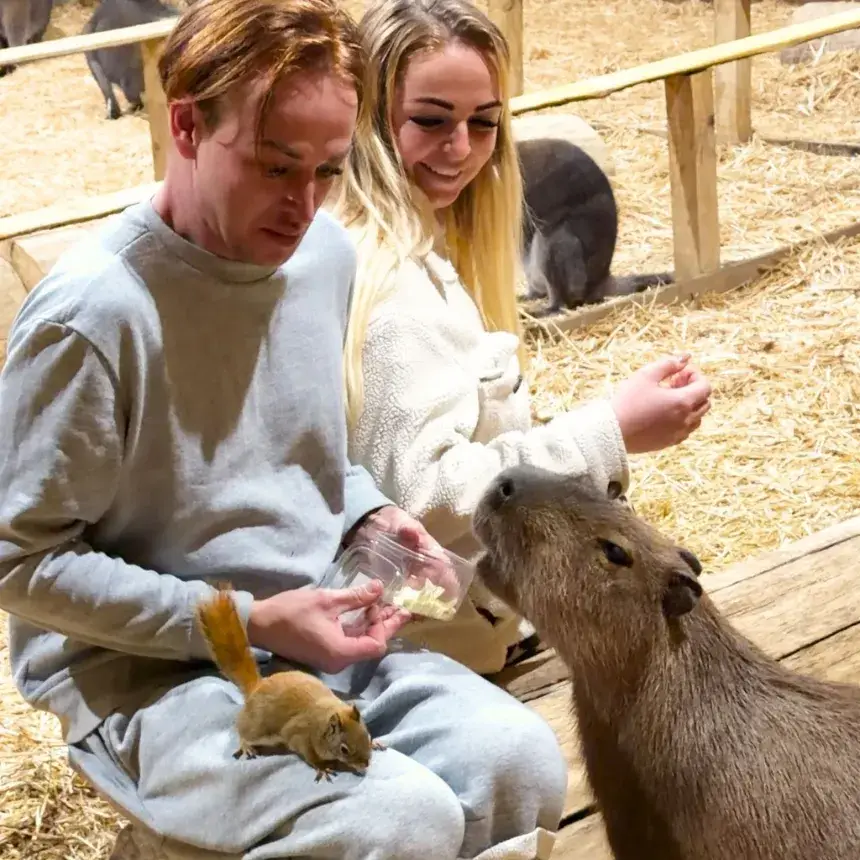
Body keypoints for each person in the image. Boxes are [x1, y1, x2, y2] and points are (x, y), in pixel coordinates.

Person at [0, 0, 568, 858]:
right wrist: (251, 621)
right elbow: (22, 563)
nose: (304, 204)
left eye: (329, 170)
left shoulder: (320, 260)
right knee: (400, 823)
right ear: (186, 126)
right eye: (275, 167)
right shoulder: (93, 318)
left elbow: (315, 454)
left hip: (313, 638)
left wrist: (369, 512)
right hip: (147, 680)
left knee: (519, 766)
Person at [333, 0, 713, 676]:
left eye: (483, 123)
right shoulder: (387, 289)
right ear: (366, 114)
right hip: (427, 657)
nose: (461, 149)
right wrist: (609, 431)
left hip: (477, 628)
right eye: (430, 119)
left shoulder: (429, 248)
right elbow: (424, 492)